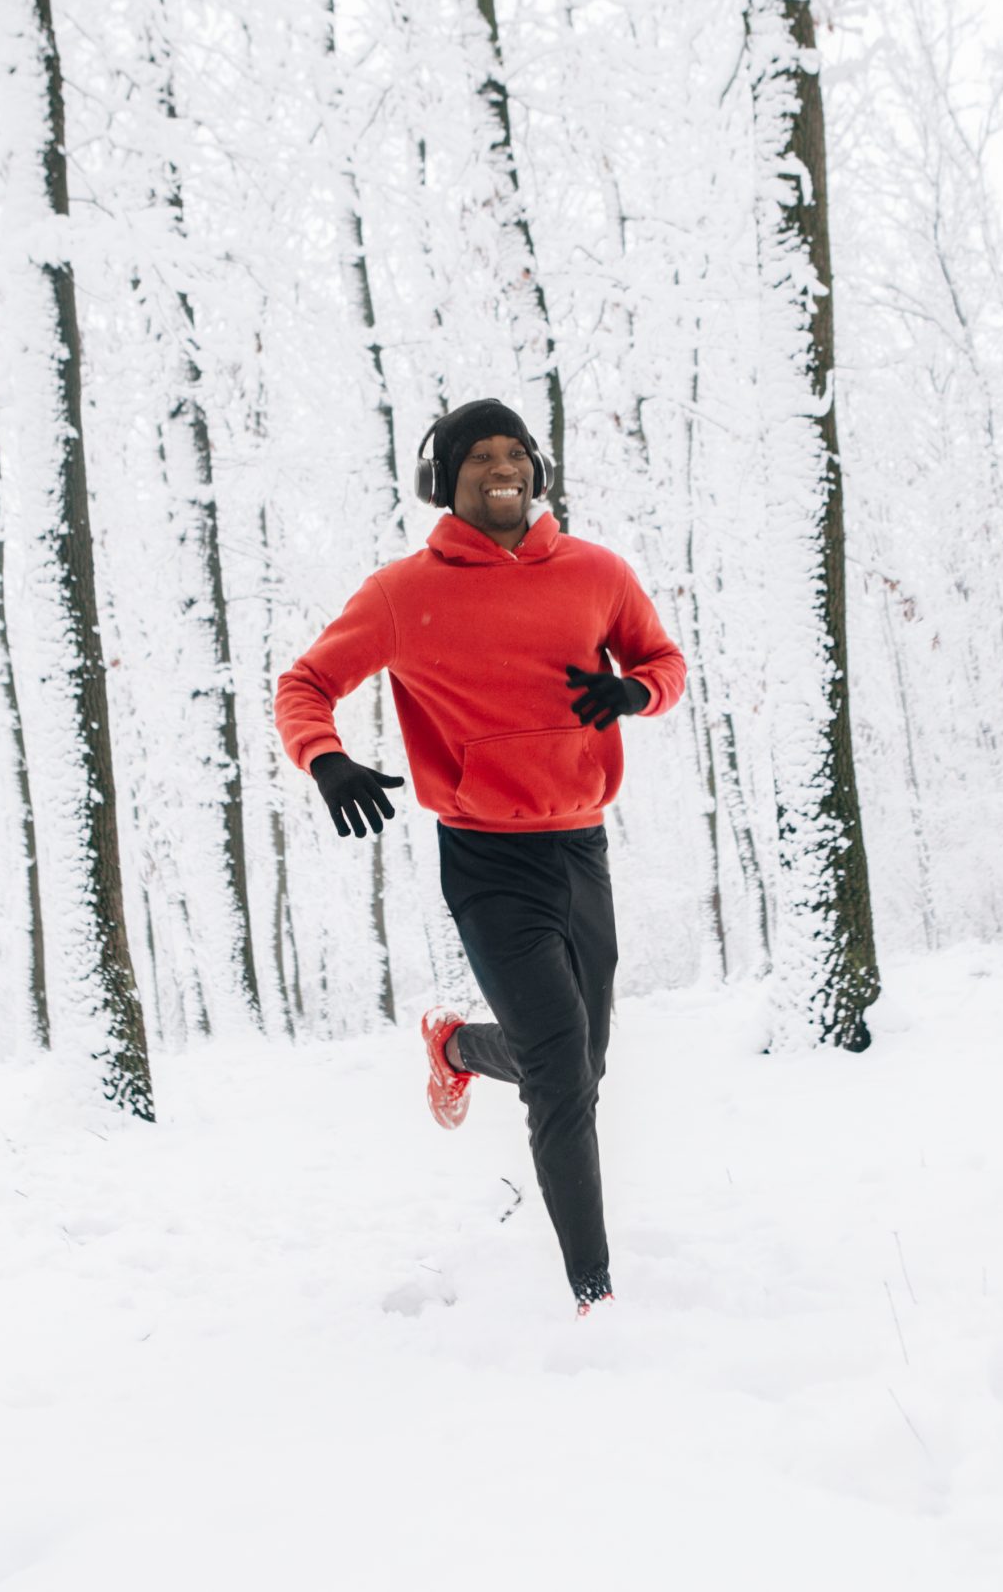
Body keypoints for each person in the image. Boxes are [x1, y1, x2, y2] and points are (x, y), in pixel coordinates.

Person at [273, 399, 686, 1316]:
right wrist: (325, 756)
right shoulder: (401, 592)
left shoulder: (596, 572)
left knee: (584, 1063)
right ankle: (595, 1293)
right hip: (488, 859)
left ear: (536, 470)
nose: (501, 469)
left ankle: (454, 1045)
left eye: (515, 454)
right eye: (478, 460)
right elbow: (304, 683)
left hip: (581, 846)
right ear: (444, 483)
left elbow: (665, 662)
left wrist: (633, 692)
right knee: (561, 1075)